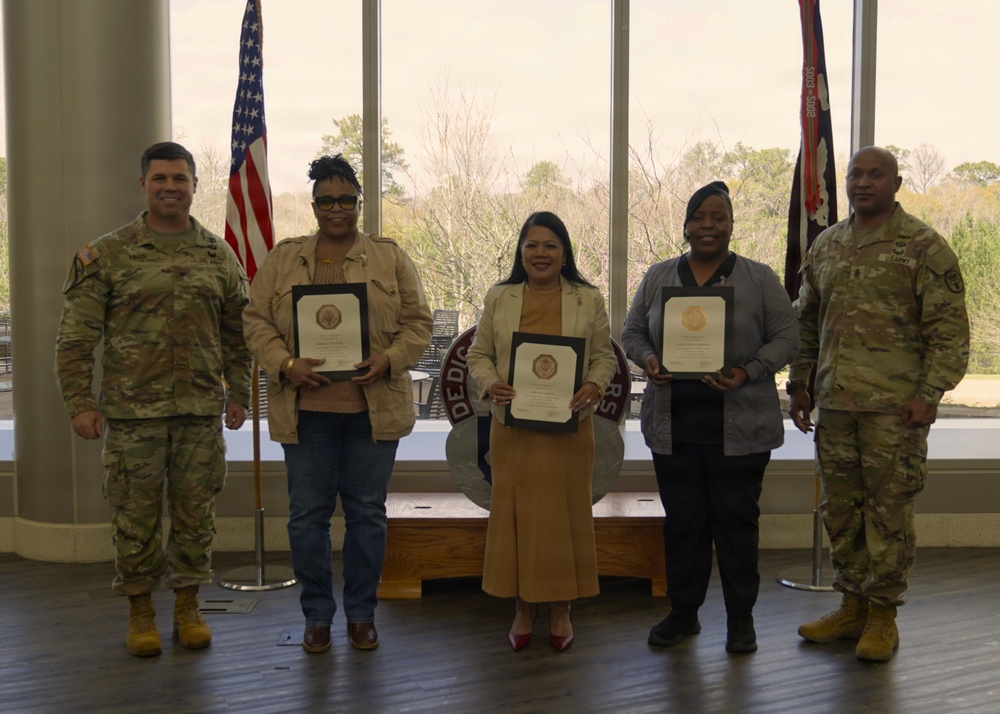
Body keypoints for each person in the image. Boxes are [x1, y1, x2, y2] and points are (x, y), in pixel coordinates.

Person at [55, 141, 253, 657]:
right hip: (131, 414)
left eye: (180, 179)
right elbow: (75, 337)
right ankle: (140, 611)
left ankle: (188, 608)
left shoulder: (218, 254)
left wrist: (240, 395)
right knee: (134, 516)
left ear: (193, 186)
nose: (171, 187)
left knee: (195, 515)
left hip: (200, 412)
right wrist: (80, 401)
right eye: (160, 178)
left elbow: (238, 333)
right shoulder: (108, 254)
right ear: (143, 185)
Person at [242, 154, 432, 654]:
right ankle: (318, 616)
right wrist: (286, 364)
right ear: (313, 204)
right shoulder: (285, 259)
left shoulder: (390, 257)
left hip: (373, 412)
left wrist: (389, 359)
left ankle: (363, 614)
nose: (337, 209)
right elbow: (255, 321)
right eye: (326, 200)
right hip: (306, 415)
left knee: (367, 514)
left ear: (359, 202)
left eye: (346, 200)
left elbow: (419, 324)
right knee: (308, 518)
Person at [789, 146, 969, 662]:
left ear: (895, 183)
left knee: (888, 515)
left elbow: (950, 333)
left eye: (876, 175)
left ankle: (883, 615)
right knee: (841, 511)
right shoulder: (827, 245)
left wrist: (929, 394)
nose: (863, 183)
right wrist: (799, 383)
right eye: (856, 174)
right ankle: (851, 607)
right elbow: (807, 322)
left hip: (896, 413)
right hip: (836, 409)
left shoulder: (922, 247)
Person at [622, 181, 799, 654]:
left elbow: (787, 337)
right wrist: (649, 359)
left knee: (736, 527)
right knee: (683, 526)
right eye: (699, 217)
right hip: (673, 427)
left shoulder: (759, 279)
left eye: (718, 217)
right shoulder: (659, 277)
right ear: (685, 225)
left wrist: (749, 371)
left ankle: (741, 620)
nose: (708, 225)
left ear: (731, 226)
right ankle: (684, 614)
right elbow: (631, 330)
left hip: (740, 431)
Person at [466, 211, 617, 653]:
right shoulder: (500, 297)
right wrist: (489, 382)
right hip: (513, 429)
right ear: (520, 251)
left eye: (550, 245)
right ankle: (523, 607)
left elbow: (604, 357)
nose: (541, 253)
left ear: (565, 252)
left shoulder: (588, 299)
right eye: (532, 244)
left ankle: (562, 607)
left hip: (570, 430)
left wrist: (595, 384)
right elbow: (478, 355)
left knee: (564, 517)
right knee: (516, 517)